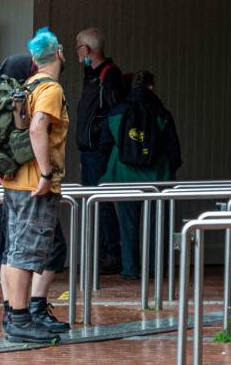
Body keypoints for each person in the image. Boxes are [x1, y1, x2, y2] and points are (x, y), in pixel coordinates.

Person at [1, 28, 71, 343]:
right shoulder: (51, 89)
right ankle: (19, 320)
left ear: (33, 58)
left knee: (15, 250)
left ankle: (16, 315)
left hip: (16, 180)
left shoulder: (27, 85)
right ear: (59, 54)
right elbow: (38, 128)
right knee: (25, 253)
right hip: (34, 183)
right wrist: (45, 174)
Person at [100, 71, 182, 280]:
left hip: (123, 178)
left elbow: (104, 143)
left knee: (128, 226)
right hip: (157, 178)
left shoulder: (116, 113)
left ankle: (130, 269)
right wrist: (169, 169)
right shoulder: (162, 113)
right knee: (158, 225)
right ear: (151, 87)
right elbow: (173, 150)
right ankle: (156, 268)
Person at [74, 27, 124, 274]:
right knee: (94, 201)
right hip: (89, 148)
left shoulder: (108, 75)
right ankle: (104, 251)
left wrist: (99, 139)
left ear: (86, 49)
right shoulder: (91, 74)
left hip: (98, 149)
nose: (75, 52)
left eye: (77, 47)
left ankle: (111, 252)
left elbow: (114, 112)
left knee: (101, 200)